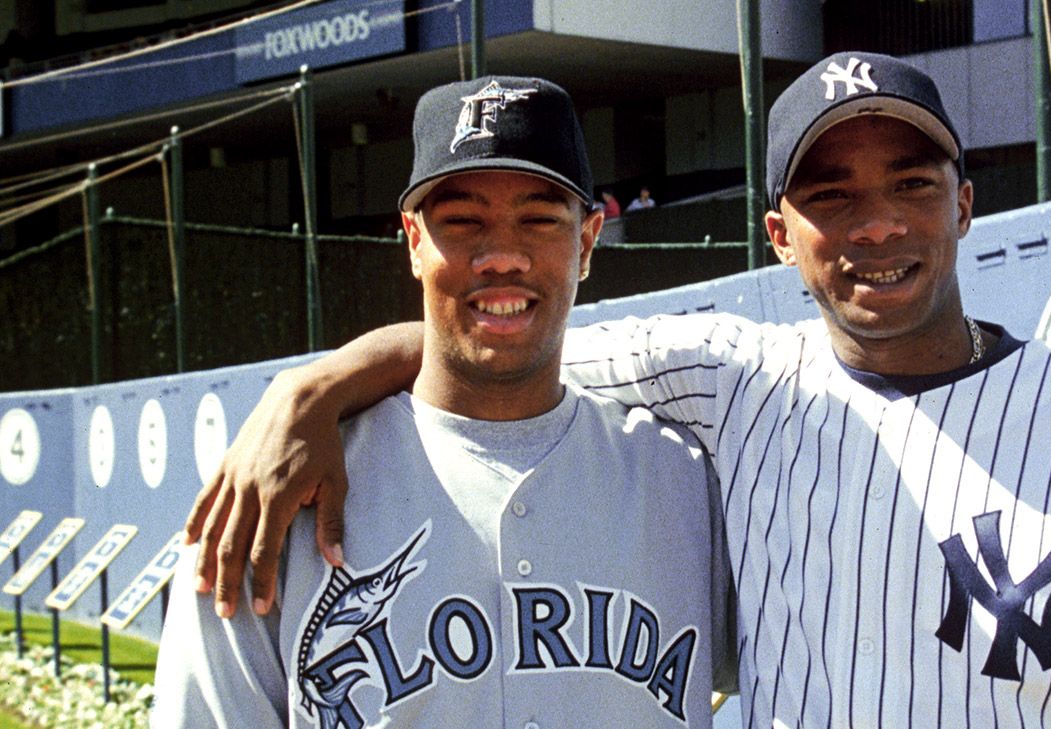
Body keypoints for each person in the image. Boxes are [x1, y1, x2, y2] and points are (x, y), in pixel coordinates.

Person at [188, 53, 1051, 727]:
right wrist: (315, 387)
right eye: (830, 196)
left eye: (912, 185)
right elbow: (503, 340)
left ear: (965, 205)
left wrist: (310, 383)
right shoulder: (735, 382)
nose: (875, 226)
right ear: (778, 236)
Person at [155, 75, 733, 728]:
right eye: (462, 221)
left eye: (539, 218)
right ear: (411, 240)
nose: (501, 255)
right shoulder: (276, 494)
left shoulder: (683, 481)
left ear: (589, 240)